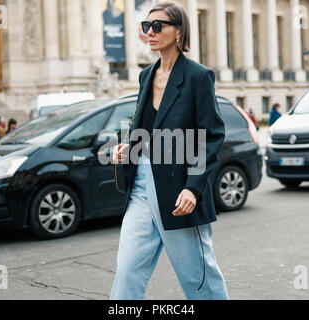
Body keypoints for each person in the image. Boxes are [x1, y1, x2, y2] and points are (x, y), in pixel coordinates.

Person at [110, 2, 228, 300]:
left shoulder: (199, 76)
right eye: (146, 26)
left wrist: (193, 188)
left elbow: (210, 137)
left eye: (158, 26)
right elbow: (147, 126)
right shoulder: (145, 76)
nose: (150, 32)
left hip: (179, 189)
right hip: (141, 185)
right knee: (127, 272)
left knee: (199, 279)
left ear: (178, 32)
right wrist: (130, 146)